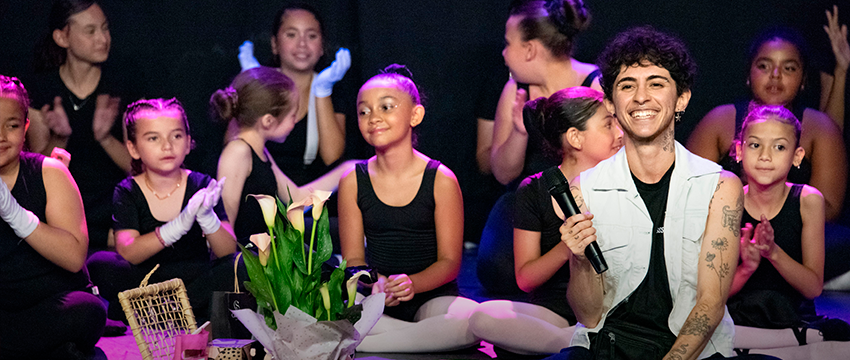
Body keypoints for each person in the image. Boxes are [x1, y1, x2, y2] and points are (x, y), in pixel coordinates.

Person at [548, 26, 750, 360]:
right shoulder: (585, 188)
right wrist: (581, 259)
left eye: (656, 84)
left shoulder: (719, 186)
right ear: (611, 103)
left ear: (681, 97)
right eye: (628, 86)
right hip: (606, 348)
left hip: (691, 354)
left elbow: (711, 302)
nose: (641, 97)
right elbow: (587, 315)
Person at [468, 87, 622, 355]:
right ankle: (581, 341)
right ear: (575, 137)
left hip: (610, 307)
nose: (619, 133)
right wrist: (568, 246)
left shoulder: (625, 183)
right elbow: (526, 278)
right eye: (608, 125)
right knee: (482, 318)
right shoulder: (535, 190)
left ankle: (586, 340)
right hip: (554, 312)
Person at [338, 65, 478, 352]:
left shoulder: (440, 179)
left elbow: (449, 262)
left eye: (386, 107)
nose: (373, 117)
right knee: (335, 315)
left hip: (432, 298)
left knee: (471, 323)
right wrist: (375, 284)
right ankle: (413, 338)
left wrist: (411, 283)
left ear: (415, 115)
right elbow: (353, 260)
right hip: (378, 298)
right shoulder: (353, 180)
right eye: (364, 111)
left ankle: (372, 344)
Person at [478, 0, 601, 295]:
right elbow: (502, 173)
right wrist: (520, 132)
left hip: (584, 204)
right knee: (499, 271)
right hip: (529, 205)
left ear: (530, 49)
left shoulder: (595, 86)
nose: (504, 53)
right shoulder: (516, 89)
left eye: (509, 44)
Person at [86, 98, 240, 323]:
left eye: (176, 136)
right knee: (101, 263)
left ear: (188, 143)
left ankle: (158, 313)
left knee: (240, 265)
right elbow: (129, 250)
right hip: (149, 281)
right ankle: (176, 313)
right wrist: (176, 228)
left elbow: (228, 250)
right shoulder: (128, 190)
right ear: (133, 148)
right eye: (153, 138)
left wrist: (207, 218)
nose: (167, 146)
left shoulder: (201, 184)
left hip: (193, 279)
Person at [686, 26, 846, 222]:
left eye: (789, 68)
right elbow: (690, 194)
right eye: (764, 66)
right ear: (748, 74)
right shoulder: (719, 121)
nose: (776, 75)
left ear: (803, 79)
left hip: (797, 240)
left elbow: (828, 207)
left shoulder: (820, 128)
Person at [0, 75, 106, 359]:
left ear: (25, 128)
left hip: (52, 303)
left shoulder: (49, 172)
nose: (0, 136)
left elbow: (73, 258)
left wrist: (14, 213)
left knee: (88, 311)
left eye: (10, 126)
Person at [26, 0, 145, 251]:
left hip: (114, 211)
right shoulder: (43, 89)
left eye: (105, 28)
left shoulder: (121, 86)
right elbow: (34, 175)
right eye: (90, 31)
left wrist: (105, 138)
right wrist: (59, 138)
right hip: (62, 212)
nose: (103, 38)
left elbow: (139, 169)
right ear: (62, 37)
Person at [727, 105, 850, 344]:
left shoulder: (808, 200)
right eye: (755, 145)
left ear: (797, 156)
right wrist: (746, 269)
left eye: (779, 147)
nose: (765, 155)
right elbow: (714, 294)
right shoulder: (727, 200)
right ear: (740, 151)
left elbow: (813, 287)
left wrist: (773, 252)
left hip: (792, 321)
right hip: (737, 320)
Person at [212, 67, 352, 245]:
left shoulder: (260, 151)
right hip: (249, 257)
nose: (295, 121)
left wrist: (348, 169)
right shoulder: (238, 151)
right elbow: (225, 219)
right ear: (268, 121)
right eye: (292, 115)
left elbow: (297, 198)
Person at [236, 3, 349, 186]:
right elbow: (233, 147)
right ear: (274, 44)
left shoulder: (333, 88)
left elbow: (332, 157)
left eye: (311, 36)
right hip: (258, 193)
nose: (302, 44)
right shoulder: (254, 86)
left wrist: (323, 91)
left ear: (322, 46)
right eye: (291, 35)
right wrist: (254, 87)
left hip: (311, 200)